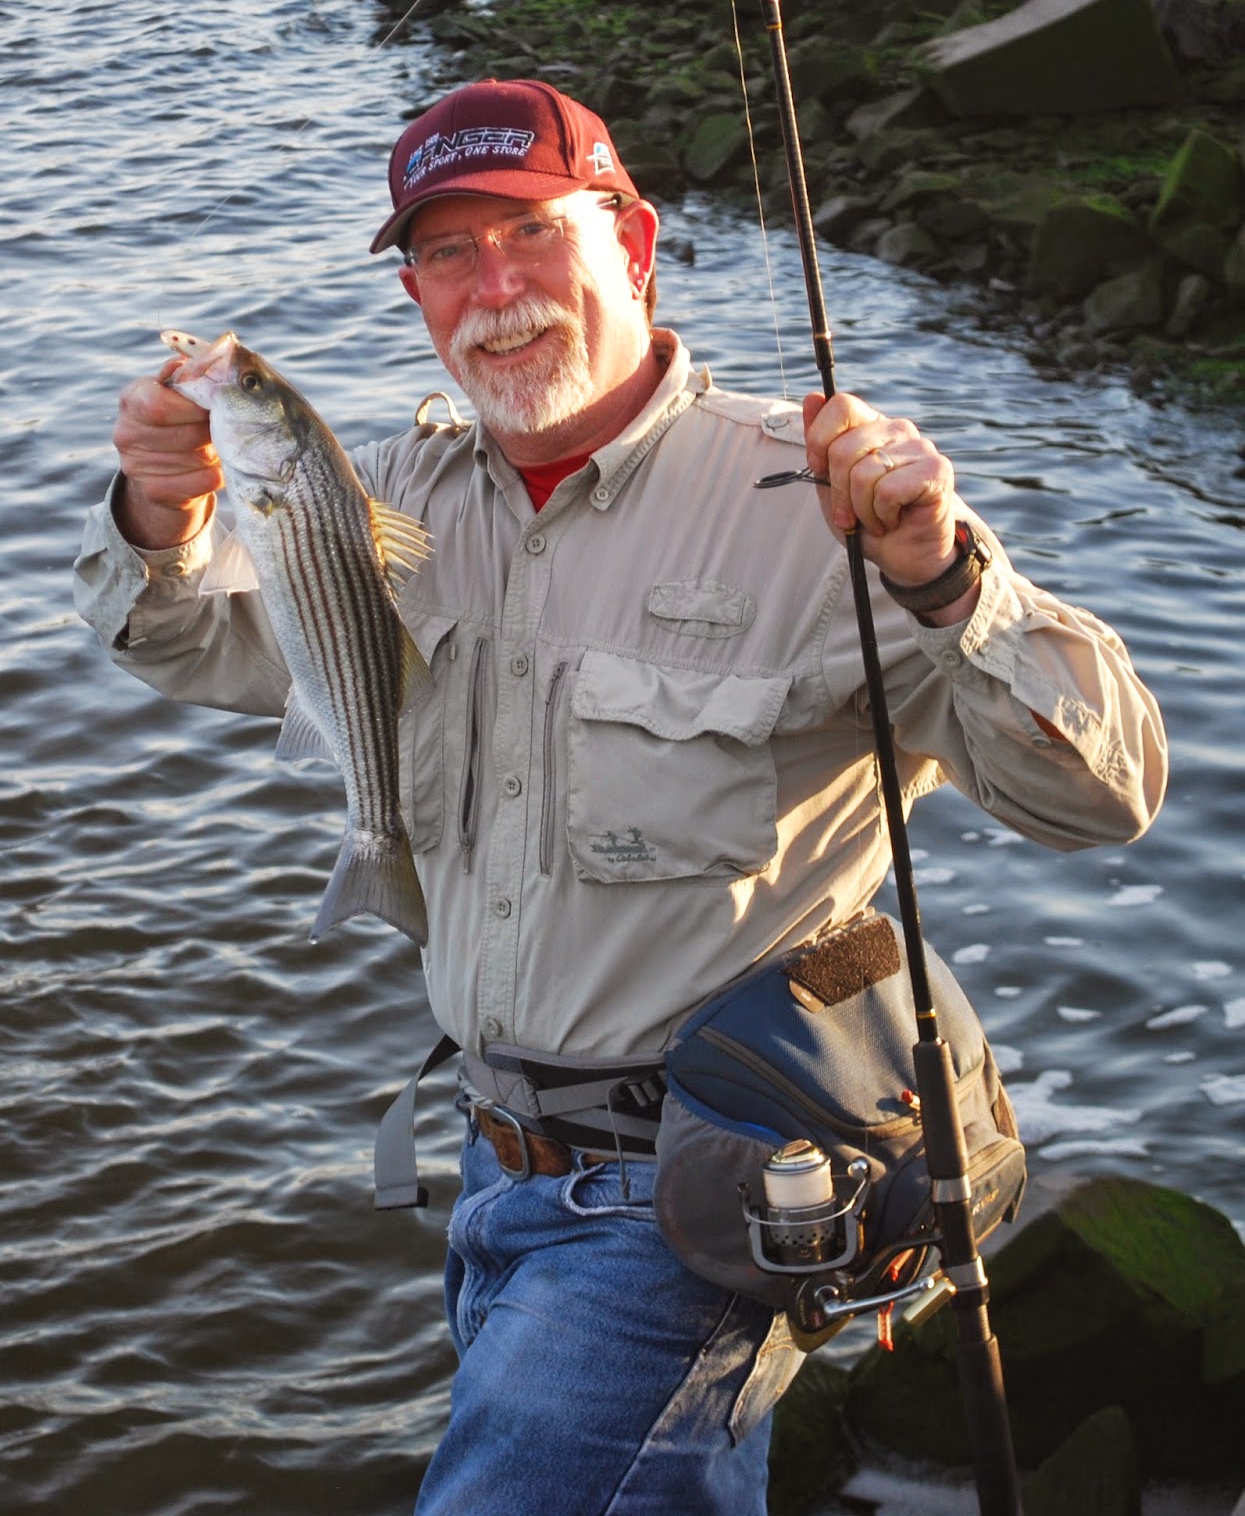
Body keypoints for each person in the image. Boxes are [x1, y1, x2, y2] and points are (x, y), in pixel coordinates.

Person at [74, 78, 1167, 1514]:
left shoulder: (825, 499)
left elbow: (1103, 796)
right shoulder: (386, 495)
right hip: (489, 1164)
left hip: (695, 1194)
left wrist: (943, 575)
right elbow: (187, 640)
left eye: (530, 231)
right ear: (412, 294)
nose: (496, 287)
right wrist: (164, 514)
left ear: (633, 242)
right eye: (448, 254)